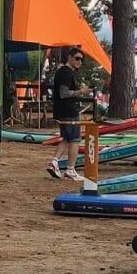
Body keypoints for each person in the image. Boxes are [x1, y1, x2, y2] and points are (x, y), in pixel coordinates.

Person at [47, 46, 90, 181]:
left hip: (62, 111)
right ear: (69, 57)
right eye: (77, 58)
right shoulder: (66, 72)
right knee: (75, 139)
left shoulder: (63, 72)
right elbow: (64, 93)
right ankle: (70, 170)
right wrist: (81, 92)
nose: (79, 62)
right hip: (69, 111)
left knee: (66, 138)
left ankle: (54, 162)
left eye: (81, 60)